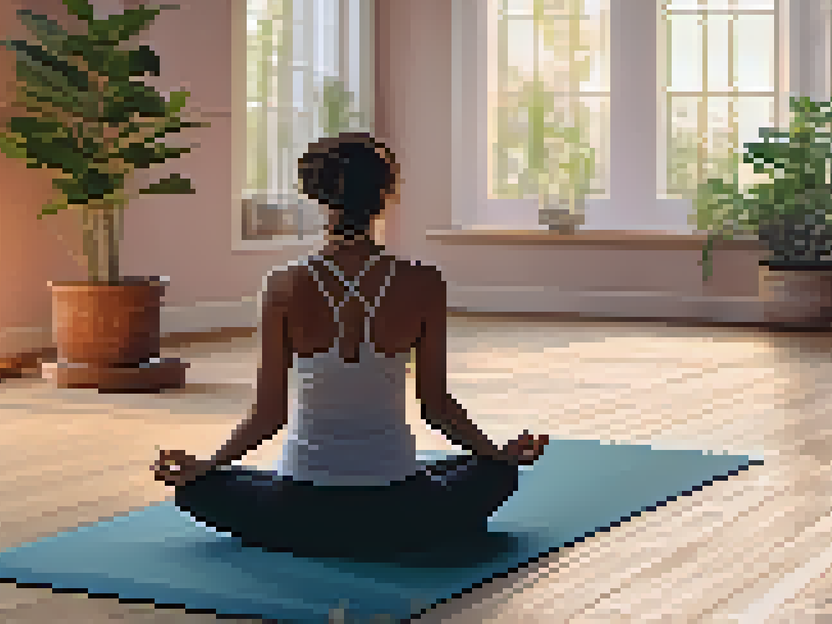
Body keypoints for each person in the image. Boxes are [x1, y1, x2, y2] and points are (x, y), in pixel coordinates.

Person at [150, 132, 549, 561]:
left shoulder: (282, 285)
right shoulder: (424, 282)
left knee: (196, 491)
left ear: (316, 197)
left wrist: (205, 467)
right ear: (385, 196)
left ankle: (311, 531)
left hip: (297, 511)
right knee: (494, 473)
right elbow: (437, 408)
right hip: (404, 512)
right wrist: (498, 454)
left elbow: (268, 416)